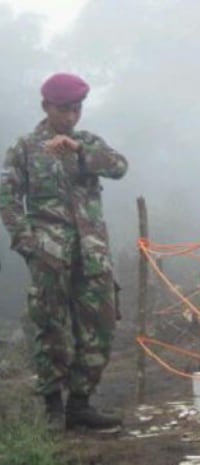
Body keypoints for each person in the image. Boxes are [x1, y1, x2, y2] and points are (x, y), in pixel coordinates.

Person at [0, 73, 127, 430]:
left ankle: (81, 403)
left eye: (76, 109)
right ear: (46, 107)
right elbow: (7, 197)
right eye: (63, 110)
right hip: (48, 255)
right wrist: (28, 244)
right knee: (50, 327)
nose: (71, 117)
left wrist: (81, 151)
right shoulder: (24, 148)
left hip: (93, 254)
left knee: (100, 325)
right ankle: (54, 407)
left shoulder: (87, 142)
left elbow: (120, 167)